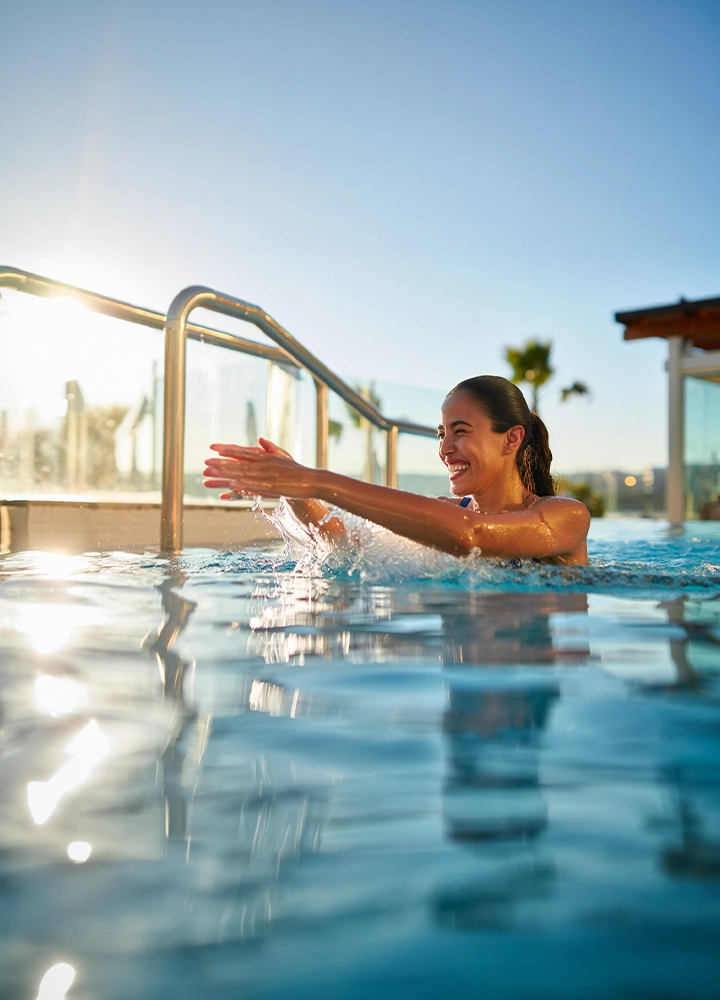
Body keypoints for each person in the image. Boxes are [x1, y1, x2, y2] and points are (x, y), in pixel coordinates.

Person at [203, 375, 590, 564]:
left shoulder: (566, 516)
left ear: (511, 439)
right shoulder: (448, 513)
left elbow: (472, 538)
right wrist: (295, 489)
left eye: (461, 432)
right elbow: (345, 546)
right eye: (442, 434)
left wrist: (317, 479)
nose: (445, 448)